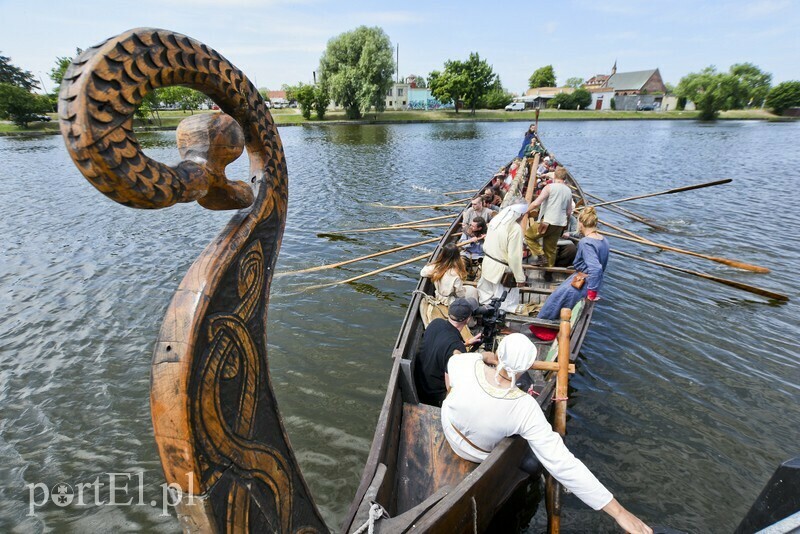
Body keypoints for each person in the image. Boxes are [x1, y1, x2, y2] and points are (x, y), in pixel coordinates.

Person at [441, 334, 652, 534]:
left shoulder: (464, 363)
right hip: (476, 453)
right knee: (535, 454)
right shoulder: (525, 407)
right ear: (527, 366)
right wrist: (619, 512)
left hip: (449, 429)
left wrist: (484, 357)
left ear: (498, 354)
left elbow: (464, 360)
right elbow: (562, 462)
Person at [531, 207, 608, 338]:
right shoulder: (603, 239)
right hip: (589, 280)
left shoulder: (586, 243)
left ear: (581, 224)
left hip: (583, 283)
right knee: (558, 294)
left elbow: (596, 268)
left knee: (555, 300)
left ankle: (545, 331)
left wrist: (591, 294)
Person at [414, 297, 483, 406]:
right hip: (434, 397)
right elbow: (451, 387)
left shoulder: (436, 323)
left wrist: (466, 343)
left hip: (419, 384)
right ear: (468, 319)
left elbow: (441, 345)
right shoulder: (457, 349)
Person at [477, 202, 528, 313]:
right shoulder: (515, 229)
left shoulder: (495, 221)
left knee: (485, 297)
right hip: (501, 270)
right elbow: (514, 257)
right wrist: (520, 278)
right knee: (504, 303)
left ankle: (484, 313)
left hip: (487, 264)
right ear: (520, 215)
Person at [525, 167, 573, 267]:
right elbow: (569, 212)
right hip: (559, 224)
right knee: (551, 249)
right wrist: (566, 224)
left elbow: (536, 203)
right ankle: (549, 270)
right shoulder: (569, 191)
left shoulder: (549, 187)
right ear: (565, 178)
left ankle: (540, 256)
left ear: (554, 176)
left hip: (547, 222)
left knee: (528, 236)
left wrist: (525, 211)